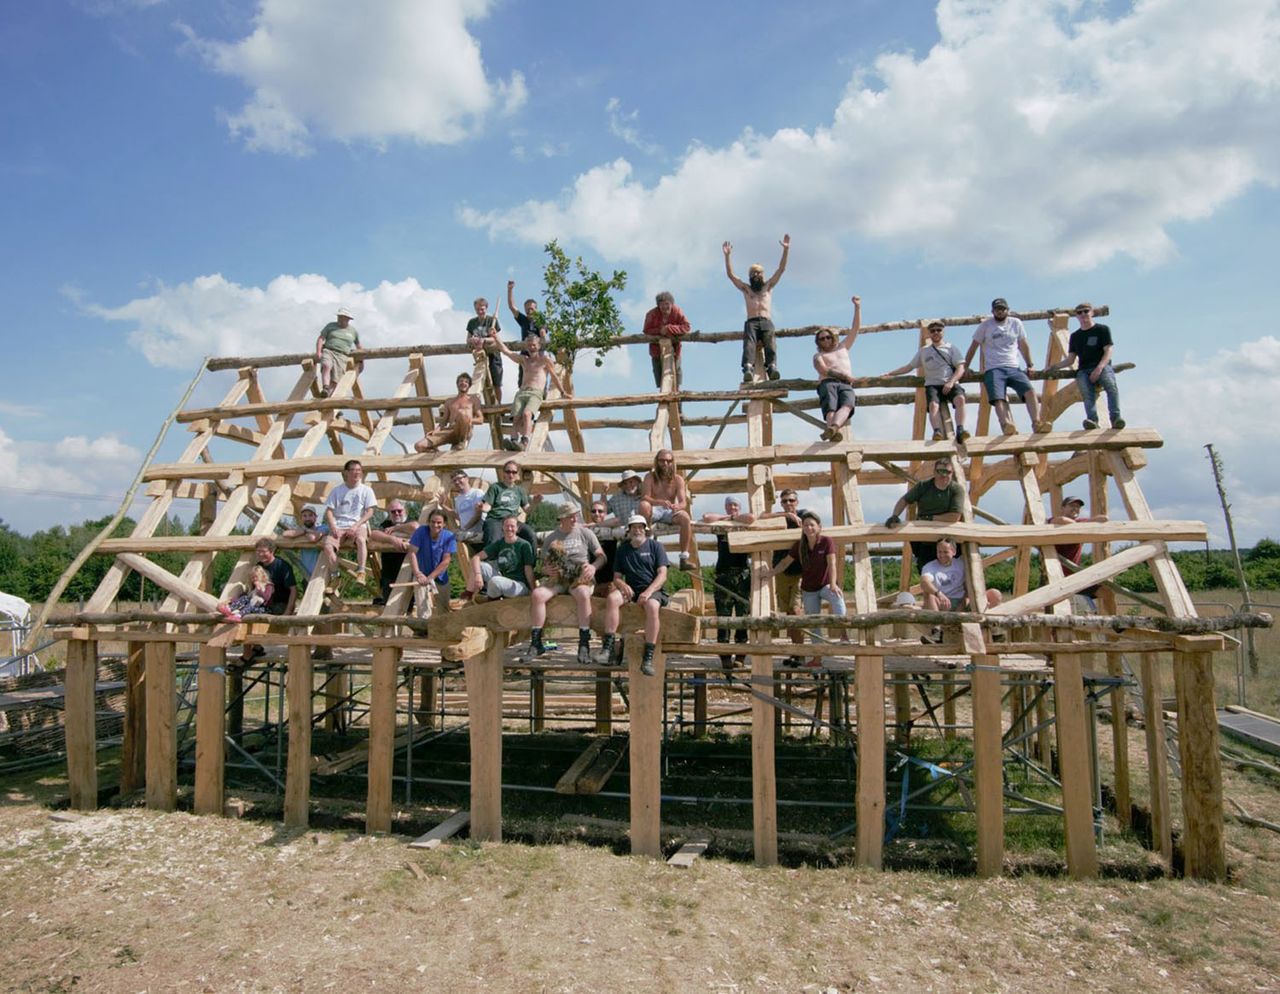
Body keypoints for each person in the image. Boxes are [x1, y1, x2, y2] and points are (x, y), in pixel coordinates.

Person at [524, 503, 606, 665]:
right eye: (570, 516)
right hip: (559, 578)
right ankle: (536, 642)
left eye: (575, 514)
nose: (575, 518)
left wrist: (593, 567)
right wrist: (546, 570)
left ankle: (584, 644)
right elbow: (544, 565)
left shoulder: (585, 533)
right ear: (562, 518)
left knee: (583, 594)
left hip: (580, 576)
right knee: (537, 595)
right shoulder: (551, 538)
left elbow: (601, 556)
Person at [765, 510, 847, 665]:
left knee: (837, 598)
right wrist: (771, 573)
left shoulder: (826, 541)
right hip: (809, 589)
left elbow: (832, 564)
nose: (809, 528)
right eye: (806, 525)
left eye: (812, 525)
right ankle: (817, 658)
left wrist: (834, 584)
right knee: (813, 623)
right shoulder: (800, 545)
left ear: (819, 527)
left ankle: (844, 633)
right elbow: (785, 562)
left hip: (825, 585)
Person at [597, 515, 670, 676]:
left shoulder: (655, 547)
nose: (637, 530)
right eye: (634, 527)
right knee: (612, 599)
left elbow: (662, 575)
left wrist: (649, 592)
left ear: (645, 530)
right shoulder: (623, 549)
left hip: (653, 590)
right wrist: (622, 585)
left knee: (652, 605)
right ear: (628, 530)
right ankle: (608, 647)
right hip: (631, 590)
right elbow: (616, 577)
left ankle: (648, 656)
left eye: (640, 527)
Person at [963, 298, 1046, 435]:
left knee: (1030, 391)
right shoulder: (985, 326)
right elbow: (973, 347)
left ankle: (1037, 422)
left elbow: (1023, 345)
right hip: (993, 368)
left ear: (1008, 310)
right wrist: (965, 366)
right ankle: (1006, 424)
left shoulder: (1016, 323)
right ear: (992, 311)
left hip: (1013, 367)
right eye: (997, 309)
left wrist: (1030, 364)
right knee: (998, 398)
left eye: (1002, 309)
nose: (1000, 311)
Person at [883, 319, 971, 442]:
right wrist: (891, 373)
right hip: (933, 385)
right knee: (933, 405)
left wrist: (951, 382)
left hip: (949, 382)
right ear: (929, 333)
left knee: (960, 399)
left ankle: (960, 429)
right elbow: (909, 367)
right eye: (933, 331)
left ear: (943, 332)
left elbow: (960, 368)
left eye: (938, 330)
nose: (936, 333)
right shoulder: (924, 351)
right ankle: (937, 431)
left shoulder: (951, 348)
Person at [1047, 302, 1125, 431]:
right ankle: (1092, 421)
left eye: (1086, 311)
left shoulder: (1102, 329)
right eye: (1079, 312)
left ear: (1092, 312)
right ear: (1076, 316)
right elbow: (1070, 360)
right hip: (1083, 370)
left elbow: (1108, 351)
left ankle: (1116, 419)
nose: (1083, 314)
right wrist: (1054, 367)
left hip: (1102, 366)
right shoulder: (1075, 336)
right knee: (1087, 394)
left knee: (1111, 388)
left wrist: (1099, 368)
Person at [723, 234, 790, 382]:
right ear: (750, 276)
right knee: (749, 343)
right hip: (752, 321)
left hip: (766, 320)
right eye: (753, 273)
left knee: (770, 341)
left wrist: (786, 250)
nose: (756, 275)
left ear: (762, 275)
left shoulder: (768, 286)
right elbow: (731, 275)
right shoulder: (747, 289)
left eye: (758, 273)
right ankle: (748, 368)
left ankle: (772, 367)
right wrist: (727, 256)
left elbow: (781, 269)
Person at [884, 459, 964, 574]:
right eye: (940, 471)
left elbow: (954, 517)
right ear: (934, 472)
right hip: (925, 541)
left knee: (953, 574)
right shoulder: (923, 486)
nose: (943, 475)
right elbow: (904, 500)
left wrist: (929, 518)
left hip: (948, 540)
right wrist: (895, 515)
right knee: (926, 572)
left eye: (947, 472)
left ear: (952, 473)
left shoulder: (956, 489)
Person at [702, 496, 755, 669]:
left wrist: (733, 519)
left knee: (743, 616)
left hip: (742, 575)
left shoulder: (745, 523)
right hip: (724, 575)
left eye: (735, 505)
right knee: (723, 616)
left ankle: (740, 655)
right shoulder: (721, 525)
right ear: (725, 507)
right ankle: (725, 656)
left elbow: (751, 517)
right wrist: (728, 519)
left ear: (739, 508)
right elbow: (706, 517)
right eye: (729, 505)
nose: (732, 508)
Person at [495, 334, 566, 451]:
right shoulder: (524, 360)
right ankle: (513, 441)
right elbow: (506, 351)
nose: (531, 347)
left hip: (535, 392)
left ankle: (524, 441)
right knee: (516, 416)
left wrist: (563, 392)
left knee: (527, 414)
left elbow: (554, 377)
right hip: (522, 392)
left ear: (538, 346)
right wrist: (496, 337)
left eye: (533, 345)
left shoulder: (545, 360)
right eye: (529, 345)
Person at [762, 488, 806, 663]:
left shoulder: (804, 514)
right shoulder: (780, 517)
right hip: (781, 570)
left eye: (791, 500)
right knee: (788, 611)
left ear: (797, 502)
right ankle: (795, 652)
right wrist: (786, 516)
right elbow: (762, 517)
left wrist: (795, 517)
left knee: (796, 611)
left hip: (800, 570)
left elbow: (814, 523)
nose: (788, 504)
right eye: (785, 501)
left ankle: (800, 653)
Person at [237, 537, 297, 663]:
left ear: (272, 551)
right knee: (248, 613)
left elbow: (293, 590)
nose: (260, 554)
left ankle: (248, 654)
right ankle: (256, 647)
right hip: (265, 602)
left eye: (263, 551)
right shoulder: (259, 566)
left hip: (279, 603)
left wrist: (288, 611)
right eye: (258, 551)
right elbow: (253, 588)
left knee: (250, 616)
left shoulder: (282, 566)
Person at [811, 295, 862, 441]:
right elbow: (824, 371)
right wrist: (845, 376)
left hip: (846, 385)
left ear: (833, 337)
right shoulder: (817, 356)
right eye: (822, 338)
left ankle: (833, 428)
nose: (825, 340)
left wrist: (857, 307)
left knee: (848, 405)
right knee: (830, 408)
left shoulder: (843, 347)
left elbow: (855, 328)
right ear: (818, 342)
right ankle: (832, 431)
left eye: (828, 337)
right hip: (828, 382)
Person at [322, 459, 377, 584]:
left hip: (358, 524)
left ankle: (361, 572)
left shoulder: (366, 490)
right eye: (353, 470)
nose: (357, 473)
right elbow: (329, 511)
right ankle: (335, 576)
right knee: (327, 546)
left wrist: (356, 526)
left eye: (359, 470)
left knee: (361, 540)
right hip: (339, 525)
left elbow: (370, 512)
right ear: (346, 472)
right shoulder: (337, 490)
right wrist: (333, 526)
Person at [1050, 495, 1108, 610]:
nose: (1075, 509)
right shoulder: (1052, 522)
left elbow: (1104, 518)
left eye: (1078, 507)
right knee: (1050, 607)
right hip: (1053, 577)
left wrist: (1082, 525)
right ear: (1062, 508)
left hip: (1074, 576)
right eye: (1072, 505)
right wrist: (1082, 525)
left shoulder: (1080, 522)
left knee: (1106, 593)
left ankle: (1116, 626)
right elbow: (1061, 520)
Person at [919, 538, 1004, 615]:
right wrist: (939, 594)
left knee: (995, 594)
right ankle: (937, 627)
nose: (941, 555)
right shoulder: (930, 566)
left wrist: (966, 600)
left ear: (954, 552)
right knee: (928, 593)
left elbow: (975, 579)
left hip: (961, 601)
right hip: (941, 603)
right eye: (939, 552)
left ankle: (987, 627)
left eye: (945, 552)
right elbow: (924, 582)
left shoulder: (962, 563)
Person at [640, 448, 694, 568]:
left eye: (668, 461)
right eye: (662, 461)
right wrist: (659, 502)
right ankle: (647, 542)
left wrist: (677, 506)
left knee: (685, 517)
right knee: (644, 505)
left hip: (669, 511)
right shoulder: (650, 477)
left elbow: (683, 502)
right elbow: (645, 497)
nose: (665, 464)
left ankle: (684, 558)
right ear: (657, 462)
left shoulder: (678, 479)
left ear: (672, 462)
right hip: (652, 510)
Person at [468, 515, 537, 601]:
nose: (509, 528)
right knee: (480, 566)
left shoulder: (524, 545)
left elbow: (528, 569)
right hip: (504, 580)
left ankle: (491, 603)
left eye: (512, 526)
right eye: (507, 526)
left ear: (517, 528)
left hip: (519, 586)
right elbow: (476, 557)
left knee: (495, 581)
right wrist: (478, 575)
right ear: (503, 527)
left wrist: (534, 590)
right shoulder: (500, 543)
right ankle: (468, 596)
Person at [415, 373, 485, 452]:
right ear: (457, 384)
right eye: (461, 381)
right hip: (450, 430)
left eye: (466, 382)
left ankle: (461, 442)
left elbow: (481, 419)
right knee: (419, 446)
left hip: (463, 431)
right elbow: (444, 421)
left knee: (463, 414)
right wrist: (436, 431)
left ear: (469, 386)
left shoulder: (473, 399)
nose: (463, 383)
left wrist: (467, 420)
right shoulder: (449, 401)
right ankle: (437, 455)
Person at [478, 459, 538, 549]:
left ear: (517, 474)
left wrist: (534, 503)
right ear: (503, 473)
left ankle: (530, 562)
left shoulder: (520, 490)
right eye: (508, 472)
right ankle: (491, 562)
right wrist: (482, 507)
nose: (511, 474)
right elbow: (488, 506)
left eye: (514, 472)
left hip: (513, 521)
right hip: (496, 520)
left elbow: (527, 510)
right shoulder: (495, 487)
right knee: (493, 540)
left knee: (531, 535)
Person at [409, 509, 457, 619]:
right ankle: (424, 626)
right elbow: (412, 552)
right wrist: (417, 574)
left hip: (440, 576)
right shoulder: (421, 531)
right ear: (428, 522)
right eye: (433, 522)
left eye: (439, 522)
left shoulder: (449, 536)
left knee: (444, 609)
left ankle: (442, 629)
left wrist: (430, 577)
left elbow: (446, 561)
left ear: (444, 524)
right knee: (422, 601)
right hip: (421, 574)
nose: (435, 525)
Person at [642, 291, 691, 389]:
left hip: (675, 349)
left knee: (676, 377)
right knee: (660, 379)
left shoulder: (677, 311)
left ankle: (678, 400)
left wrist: (669, 328)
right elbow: (646, 330)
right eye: (662, 305)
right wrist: (660, 330)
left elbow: (686, 327)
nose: (665, 307)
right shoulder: (651, 314)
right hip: (656, 350)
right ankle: (664, 399)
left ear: (671, 304)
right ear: (658, 306)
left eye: (667, 304)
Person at [373, 500, 415, 605]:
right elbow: (373, 534)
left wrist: (396, 528)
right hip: (389, 573)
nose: (396, 513)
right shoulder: (386, 524)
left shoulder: (410, 521)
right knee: (389, 605)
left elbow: (415, 527)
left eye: (399, 511)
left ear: (405, 511)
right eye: (393, 512)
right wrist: (393, 540)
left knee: (409, 606)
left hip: (409, 570)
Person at [314, 307, 362, 397]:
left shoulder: (353, 331)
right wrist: (318, 352)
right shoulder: (330, 326)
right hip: (329, 350)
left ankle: (327, 397)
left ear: (348, 319)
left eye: (342, 317)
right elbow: (321, 338)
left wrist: (362, 360)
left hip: (342, 355)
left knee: (336, 379)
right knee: (326, 365)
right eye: (339, 316)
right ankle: (325, 387)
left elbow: (358, 345)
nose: (339, 318)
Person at [466, 297, 504, 402]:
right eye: (477, 309)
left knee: (496, 383)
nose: (480, 311)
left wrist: (484, 340)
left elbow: (495, 339)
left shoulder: (492, 321)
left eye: (482, 309)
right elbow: (468, 339)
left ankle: (499, 405)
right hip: (480, 355)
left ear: (486, 308)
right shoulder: (472, 322)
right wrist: (473, 340)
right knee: (480, 380)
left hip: (493, 355)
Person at [281, 505, 327, 579]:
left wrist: (305, 531)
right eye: (304, 516)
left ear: (315, 517)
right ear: (301, 518)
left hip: (322, 575)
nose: (307, 518)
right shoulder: (301, 531)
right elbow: (285, 534)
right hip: (306, 575)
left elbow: (313, 538)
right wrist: (304, 531)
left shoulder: (323, 528)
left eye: (310, 515)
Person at [446, 469, 487, 546]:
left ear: (467, 478)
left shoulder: (477, 493)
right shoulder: (458, 499)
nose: (457, 482)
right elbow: (459, 516)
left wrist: (464, 529)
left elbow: (478, 515)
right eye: (454, 481)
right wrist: (442, 505)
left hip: (478, 534)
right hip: (466, 535)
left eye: (459, 478)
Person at [588, 499, 617, 596]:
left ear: (605, 513)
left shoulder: (614, 529)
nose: (596, 514)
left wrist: (596, 525)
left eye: (600, 511)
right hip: (589, 581)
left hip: (608, 582)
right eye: (593, 511)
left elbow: (617, 521)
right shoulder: (585, 531)